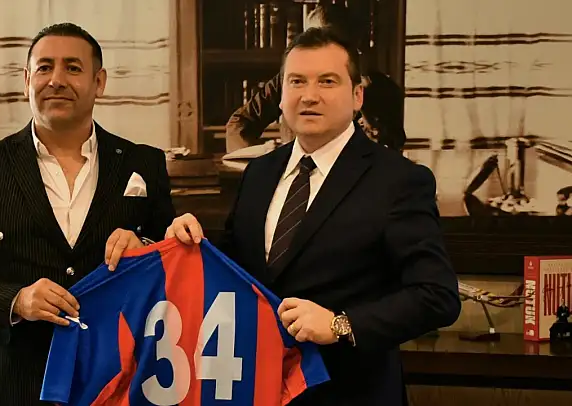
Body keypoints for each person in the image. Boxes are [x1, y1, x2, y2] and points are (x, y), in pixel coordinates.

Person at [160, 28, 460, 405]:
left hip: (350, 394)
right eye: (297, 81)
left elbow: (437, 296)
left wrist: (340, 324)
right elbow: (238, 270)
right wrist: (190, 246)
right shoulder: (258, 173)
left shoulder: (398, 180)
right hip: (258, 389)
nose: (309, 95)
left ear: (357, 96)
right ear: (281, 95)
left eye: (327, 81)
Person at [0, 23, 175, 406]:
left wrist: (143, 245)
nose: (56, 80)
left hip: (117, 382)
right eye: (44, 68)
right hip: (12, 386)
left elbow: (171, 263)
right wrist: (16, 300)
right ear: (27, 80)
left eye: (73, 68)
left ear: (99, 82)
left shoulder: (144, 163)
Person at [225, 2, 407, 153]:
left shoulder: (381, 89)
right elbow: (240, 122)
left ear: (352, 45)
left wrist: (368, 109)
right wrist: (254, 161)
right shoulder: (289, 80)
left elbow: (391, 145)